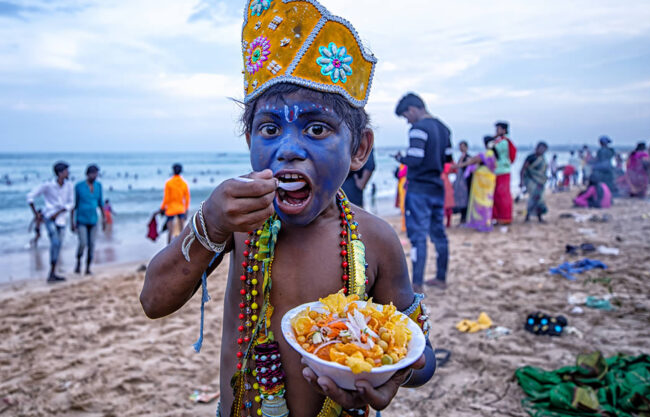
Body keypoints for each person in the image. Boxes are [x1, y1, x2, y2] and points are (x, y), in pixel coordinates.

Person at [140, 3, 434, 416]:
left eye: (317, 128)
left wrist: (393, 374)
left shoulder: (376, 240)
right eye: (270, 129)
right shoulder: (238, 225)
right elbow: (153, 300)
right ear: (249, 141)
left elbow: (420, 356)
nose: (289, 149)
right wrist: (209, 222)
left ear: (359, 149)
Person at [394, 92, 452, 291]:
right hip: (437, 186)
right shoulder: (444, 129)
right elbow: (448, 160)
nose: (407, 122)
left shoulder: (418, 129)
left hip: (419, 188)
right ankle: (441, 277)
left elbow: (415, 158)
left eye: (405, 117)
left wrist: (401, 158)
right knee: (439, 234)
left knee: (418, 236)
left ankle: (417, 283)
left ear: (412, 109)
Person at [27, 161, 73, 282]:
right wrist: (35, 213)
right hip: (49, 217)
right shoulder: (48, 185)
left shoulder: (69, 186)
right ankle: (52, 271)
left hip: (61, 218)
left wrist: (59, 212)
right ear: (60, 173)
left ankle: (53, 271)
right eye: (66, 171)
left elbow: (71, 203)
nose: (68, 173)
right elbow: (30, 196)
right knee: (56, 242)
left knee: (58, 245)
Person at [453, 136, 497, 231]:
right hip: (489, 182)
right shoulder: (493, 155)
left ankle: (480, 223)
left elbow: (469, 163)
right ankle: (485, 222)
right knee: (487, 203)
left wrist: (455, 166)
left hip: (481, 184)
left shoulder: (484, 155)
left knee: (479, 203)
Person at [71, 164, 106, 275]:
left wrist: (104, 218)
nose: (95, 176)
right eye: (93, 173)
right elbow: (74, 205)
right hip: (81, 219)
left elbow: (101, 203)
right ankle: (78, 261)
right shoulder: (79, 187)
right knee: (83, 243)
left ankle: (88, 267)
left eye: (96, 173)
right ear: (88, 174)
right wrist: (72, 222)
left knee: (92, 244)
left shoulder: (98, 186)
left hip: (93, 219)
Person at [158, 163, 190, 244]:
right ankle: (182, 247)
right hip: (180, 209)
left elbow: (166, 198)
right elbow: (187, 198)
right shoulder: (184, 184)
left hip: (171, 210)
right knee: (182, 232)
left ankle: (168, 248)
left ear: (173, 171)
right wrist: (186, 209)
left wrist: (162, 208)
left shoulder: (169, 183)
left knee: (170, 232)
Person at [492, 121, 516, 225]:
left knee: (503, 194)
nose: (496, 131)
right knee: (496, 194)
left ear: (504, 130)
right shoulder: (499, 141)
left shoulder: (505, 141)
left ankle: (505, 217)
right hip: (497, 170)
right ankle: (497, 217)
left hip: (503, 171)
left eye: (498, 129)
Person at [520, 142, 549, 223]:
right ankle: (527, 216)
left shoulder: (543, 159)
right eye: (541, 148)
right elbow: (523, 169)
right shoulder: (531, 157)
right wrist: (521, 181)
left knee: (540, 199)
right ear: (536, 148)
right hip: (530, 181)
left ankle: (540, 217)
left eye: (544, 149)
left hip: (540, 182)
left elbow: (543, 172)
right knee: (532, 198)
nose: (542, 151)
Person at [452, 141, 472, 223]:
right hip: (461, 182)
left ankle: (465, 218)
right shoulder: (462, 157)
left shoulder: (468, 157)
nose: (461, 148)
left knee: (466, 199)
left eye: (462, 146)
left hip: (466, 182)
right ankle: (462, 218)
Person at [442, 162, 455, 227]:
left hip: (443, 186)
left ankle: (447, 223)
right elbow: (455, 169)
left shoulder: (445, 165)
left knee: (445, 207)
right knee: (447, 207)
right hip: (447, 186)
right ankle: (448, 223)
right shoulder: (446, 166)